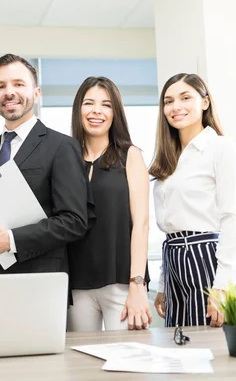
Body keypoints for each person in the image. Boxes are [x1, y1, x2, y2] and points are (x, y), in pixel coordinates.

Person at [0, 54, 89, 277]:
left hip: (40, 277)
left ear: (36, 94)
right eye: (0, 86)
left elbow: (74, 221)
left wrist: (10, 240)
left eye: (18, 84)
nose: (9, 92)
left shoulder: (61, 146)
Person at [150, 73, 236, 328]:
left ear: (205, 102)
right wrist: (163, 283)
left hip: (208, 260)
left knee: (216, 352)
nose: (175, 107)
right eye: (168, 101)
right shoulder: (167, 158)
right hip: (174, 263)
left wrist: (222, 287)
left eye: (185, 97)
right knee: (180, 353)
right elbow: (172, 226)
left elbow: (232, 219)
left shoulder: (221, 148)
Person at [67, 77, 152, 331]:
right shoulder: (66, 159)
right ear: (78, 110)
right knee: (81, 366)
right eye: (89, 103)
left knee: (129, 364)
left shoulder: (131, 155)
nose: (96, 111)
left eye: (106, 105)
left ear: (115, 112)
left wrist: (137, 285)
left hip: (122, 284)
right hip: (77, 285)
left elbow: (142, 224)